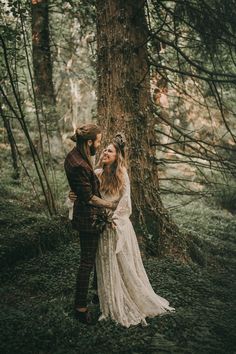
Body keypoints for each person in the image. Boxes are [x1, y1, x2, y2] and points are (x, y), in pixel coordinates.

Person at [70, 132, 175, 328]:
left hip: (117, 225)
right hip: (102, 225)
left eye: (109, 150)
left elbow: (125, 203)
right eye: (104, 150)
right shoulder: (97, 173)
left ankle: (124, 296)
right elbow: (87, 195)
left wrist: (113, 220)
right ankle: (106, 297)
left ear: (118, 155)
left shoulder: (122, 174)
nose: (104, 152)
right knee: (106, 264)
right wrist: (73, 195)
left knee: (122, 265)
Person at [64, 124, 117, 325]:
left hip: (88, 217)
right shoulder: (79, 163)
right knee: (87, 262)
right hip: (88, 219)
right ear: (89, 142)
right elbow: (89, 198)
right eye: (98, 141)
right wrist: (111, 205)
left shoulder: (74, 155)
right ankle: (80, 307)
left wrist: (75, 191)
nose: (99, 145)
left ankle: (97, 292)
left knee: (95, 259)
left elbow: (81, 187)